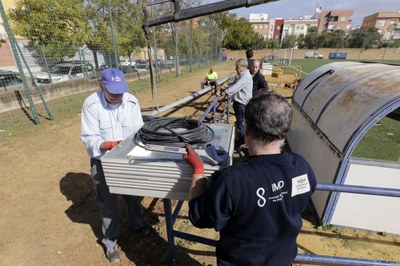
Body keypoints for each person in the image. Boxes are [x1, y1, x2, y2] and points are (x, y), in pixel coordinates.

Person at [183, 93, 317, 266]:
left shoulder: (232, 181)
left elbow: (199, 217)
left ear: (246, 130)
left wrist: (198, 170)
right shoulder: (301, 166)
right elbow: (304, 194)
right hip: (282, 260)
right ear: (284, 130)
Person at [80, 68, 150, 263]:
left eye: (120, 91)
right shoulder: (91, 105)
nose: (118, 96)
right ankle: (110, 242)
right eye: (113, 92)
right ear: (101, 86)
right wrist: (107, 145)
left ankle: (137, 223)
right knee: (108, 203)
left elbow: (138, 130)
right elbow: (89, 138)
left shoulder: (131, 101)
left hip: (128, 158)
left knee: (133, 194)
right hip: (103, 160)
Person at [220, 58, 252, 148]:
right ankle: (241, 141)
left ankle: (241, 143)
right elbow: (235, 84)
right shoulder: (243, 75)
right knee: (240, 123)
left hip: (241, 104)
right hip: (240, 103)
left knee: (240, 124)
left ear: (242, 67)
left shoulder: (245, 77)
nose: (235, 69)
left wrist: (224, 92)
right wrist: (227, 87)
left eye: (237, 67)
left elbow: (235, 88)